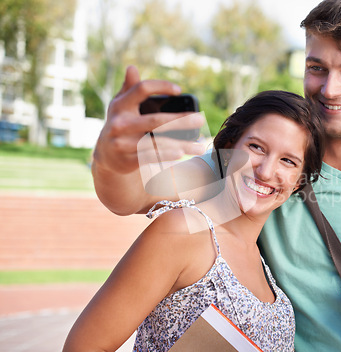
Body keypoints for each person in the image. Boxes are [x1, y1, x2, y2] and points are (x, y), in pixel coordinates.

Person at [89, 0, 341, 351]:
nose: (330, 88)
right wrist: (114, 156)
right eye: (317, 68)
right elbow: (130, 197)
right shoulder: (254, 165)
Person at [63, 90, 325, 352]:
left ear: (298, 182)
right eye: (256, 147)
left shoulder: (262, 261)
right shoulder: (183, 230)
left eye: (288, 161)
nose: (266, 171)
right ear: (229, 148)